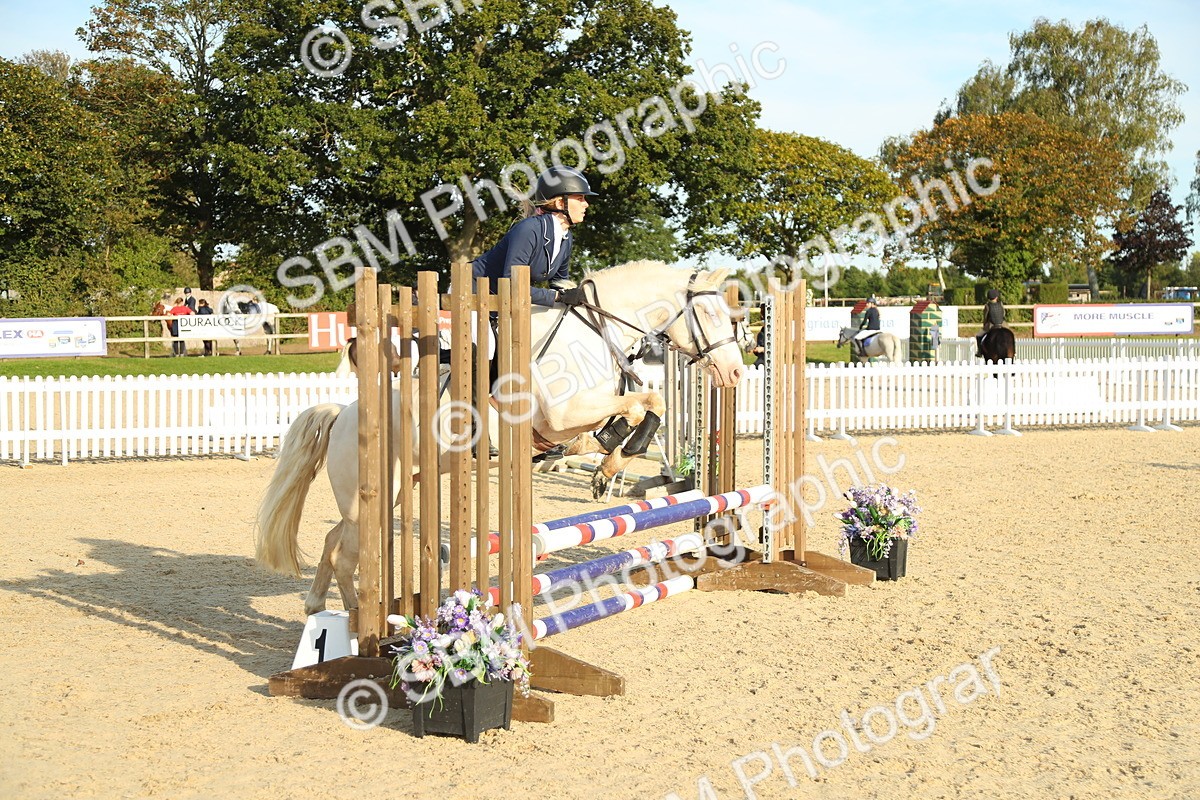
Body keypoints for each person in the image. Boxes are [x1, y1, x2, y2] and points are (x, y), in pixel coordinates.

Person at [471, 165, 596, 308]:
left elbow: (559, 282)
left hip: (503, 303)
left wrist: (577, 296)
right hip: (472, 295)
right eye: (580, 198)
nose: (586, 204)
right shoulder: (529, 229)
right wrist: (558, 296)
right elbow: (512, 285)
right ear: (560, 203)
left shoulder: (566, 237)